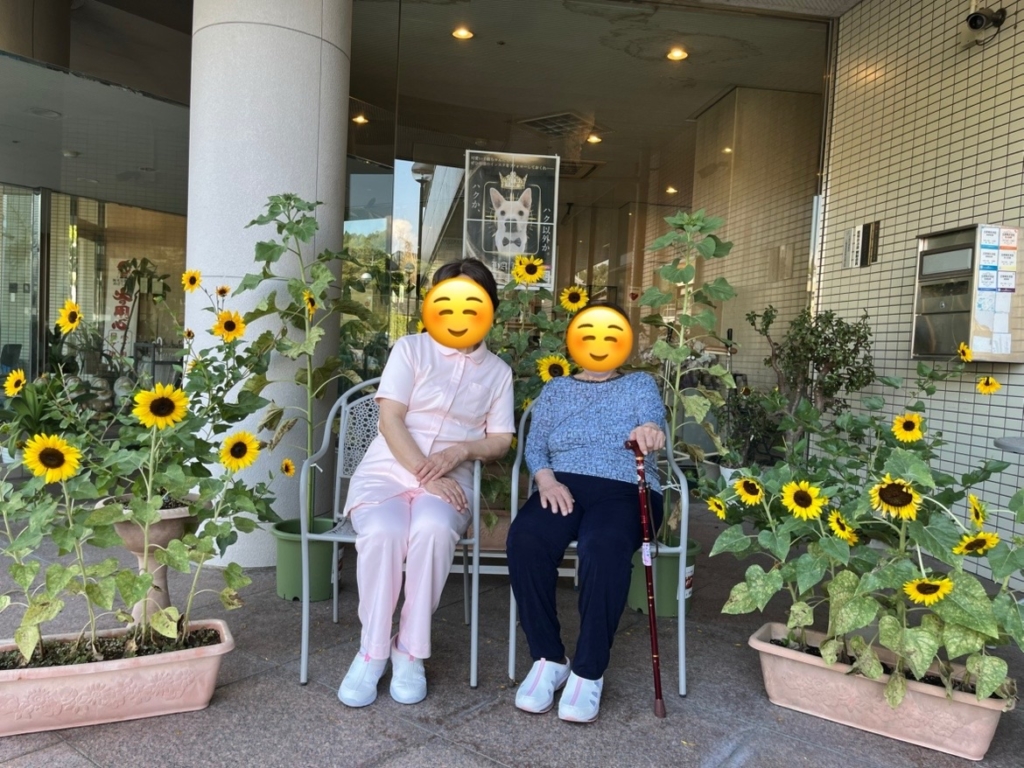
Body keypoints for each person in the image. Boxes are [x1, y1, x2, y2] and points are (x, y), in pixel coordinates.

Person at [338, 258, 515, 708]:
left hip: (453, 478)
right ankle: (372, 651)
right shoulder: (411, 349)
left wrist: (461, 452)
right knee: (384, 531)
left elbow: (501, 439)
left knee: (433, 529)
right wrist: (424, 473)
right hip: (388, 469)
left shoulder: (497, 372)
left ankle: (410, 651)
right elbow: (390, 419)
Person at [506, 303, 666, 723]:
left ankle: (588, 670)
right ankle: (548, 658)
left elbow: (654, 424)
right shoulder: (557, 389)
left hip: (627, 487)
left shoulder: (639, 384)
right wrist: (546, 480)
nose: (599, 344)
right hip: (562, 484)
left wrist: (649, 433)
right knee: (526, 539)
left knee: (603, 546)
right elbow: (536, 446)